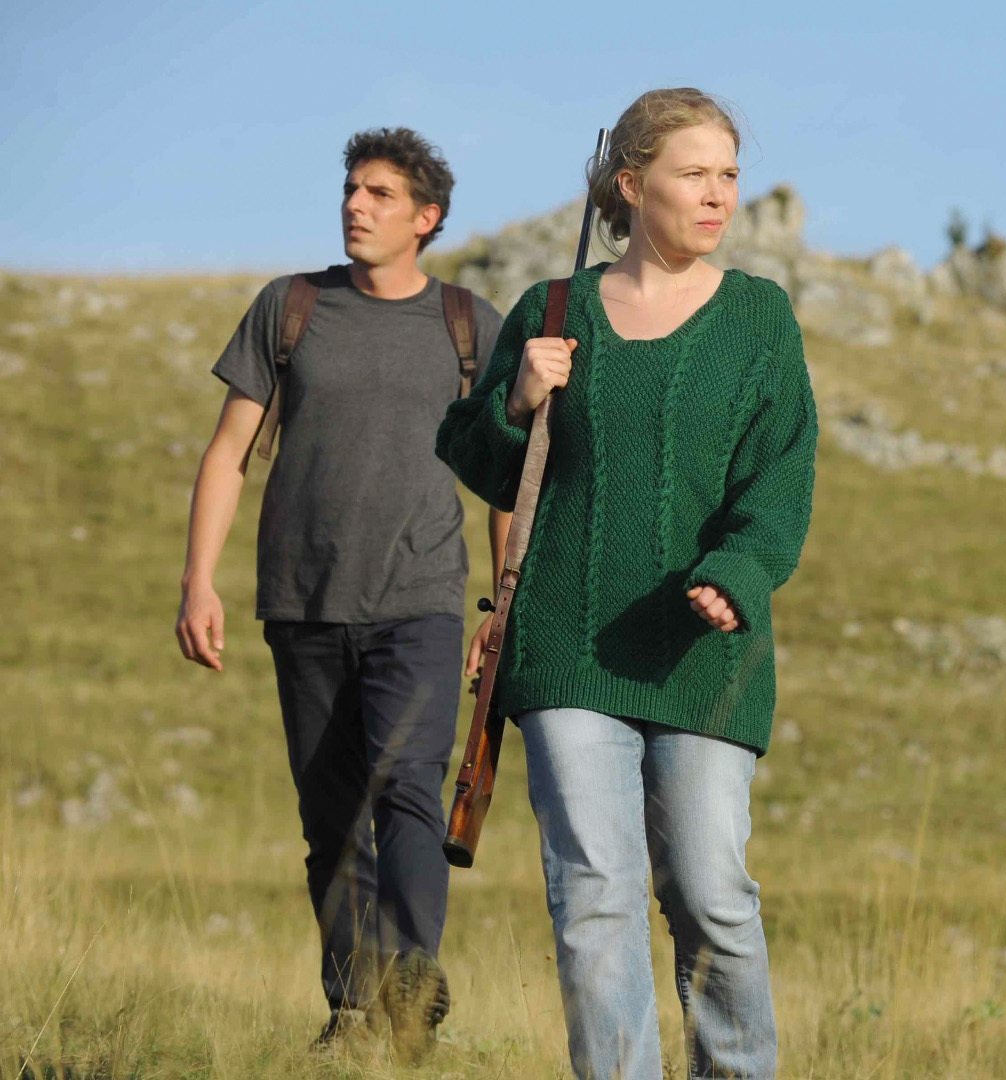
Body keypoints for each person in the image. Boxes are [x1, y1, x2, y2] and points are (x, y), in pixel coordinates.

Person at [436, 87, 816, 1080]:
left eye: (729, 174)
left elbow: (781, 481)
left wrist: (739, 572)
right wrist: (518, 398)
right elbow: (476, 456)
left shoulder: (760, 319)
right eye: (695, 174)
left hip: (704, 654)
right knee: (594, 898)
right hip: (565, 647)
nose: (719, 194)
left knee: (710, 894)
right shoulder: (552, 312)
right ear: (632, 184)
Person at [175, 127, 503, 1062]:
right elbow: (229, 452)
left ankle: (410, 985)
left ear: (426, 218)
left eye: (380, 194)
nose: (356, 205)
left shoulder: (468, 325)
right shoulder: (291, 308)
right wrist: (198, 580)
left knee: (409, 789)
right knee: (331, 818)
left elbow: (505, 479)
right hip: (302, 599)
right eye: (352, 189)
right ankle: (353, 1008)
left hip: (422, 601)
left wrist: (502, 608)